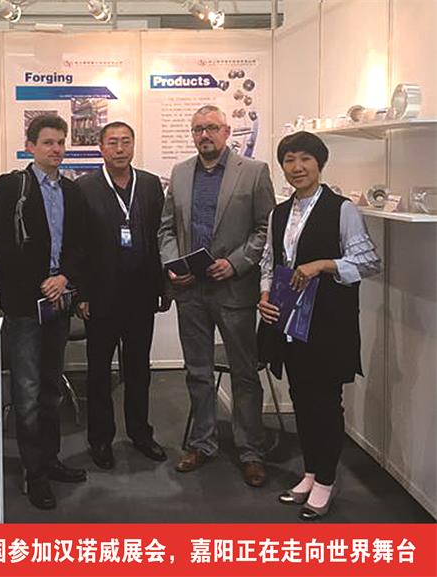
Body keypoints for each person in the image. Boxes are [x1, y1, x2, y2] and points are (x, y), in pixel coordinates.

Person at [257, 131, 381, 520]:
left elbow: (369, 262)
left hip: (329, 322)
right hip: (291, 321)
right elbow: (269, 261)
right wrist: (264, 295)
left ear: (320, 163)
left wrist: (324, 264)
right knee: (301, 398)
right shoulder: (279, 213)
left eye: (305, 159)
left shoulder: (342, 209)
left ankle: (326, 479)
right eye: (289, 160)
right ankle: (310, 472)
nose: (297, 167)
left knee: (326, 402)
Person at [158, 104, 275, 486]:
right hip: (190, 291)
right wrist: (173, 263)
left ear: (226, 131)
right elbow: (166, 229)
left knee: (244, 374)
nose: (204, 135)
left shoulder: (253, 171)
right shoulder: (180, 173)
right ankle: (202, 443)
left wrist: (236, 263)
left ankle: (250, 451)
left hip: (233, 289)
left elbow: (265, 228)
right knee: (197, 372)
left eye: (211, 128)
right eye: (198, 129)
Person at [0, 114, 86, 510]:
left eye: (61, 142)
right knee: (27, 393)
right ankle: (35, 473)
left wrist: (64, 278)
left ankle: (51, 459)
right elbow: (4, 245)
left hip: (58, 304)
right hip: (24, 306)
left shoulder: (72, 191)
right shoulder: (12, 186)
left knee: (51, 390)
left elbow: (81, 244)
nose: (56, 149)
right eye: (48, 142)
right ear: (30, 146)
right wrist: (40, 284)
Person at [76, 121, 169, 470]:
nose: (119, 149)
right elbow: (78, 244)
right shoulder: (84, 187)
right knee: (100, 372)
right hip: (100, 296)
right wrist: (81, 294)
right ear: (101, 148)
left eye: (126, 142)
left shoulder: (149, 184)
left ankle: (140, 433)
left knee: (138, 369)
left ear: (133, 145)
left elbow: (161, 237)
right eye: (112, 142)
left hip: (141, 294)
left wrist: (163, 286)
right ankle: (100, 439)